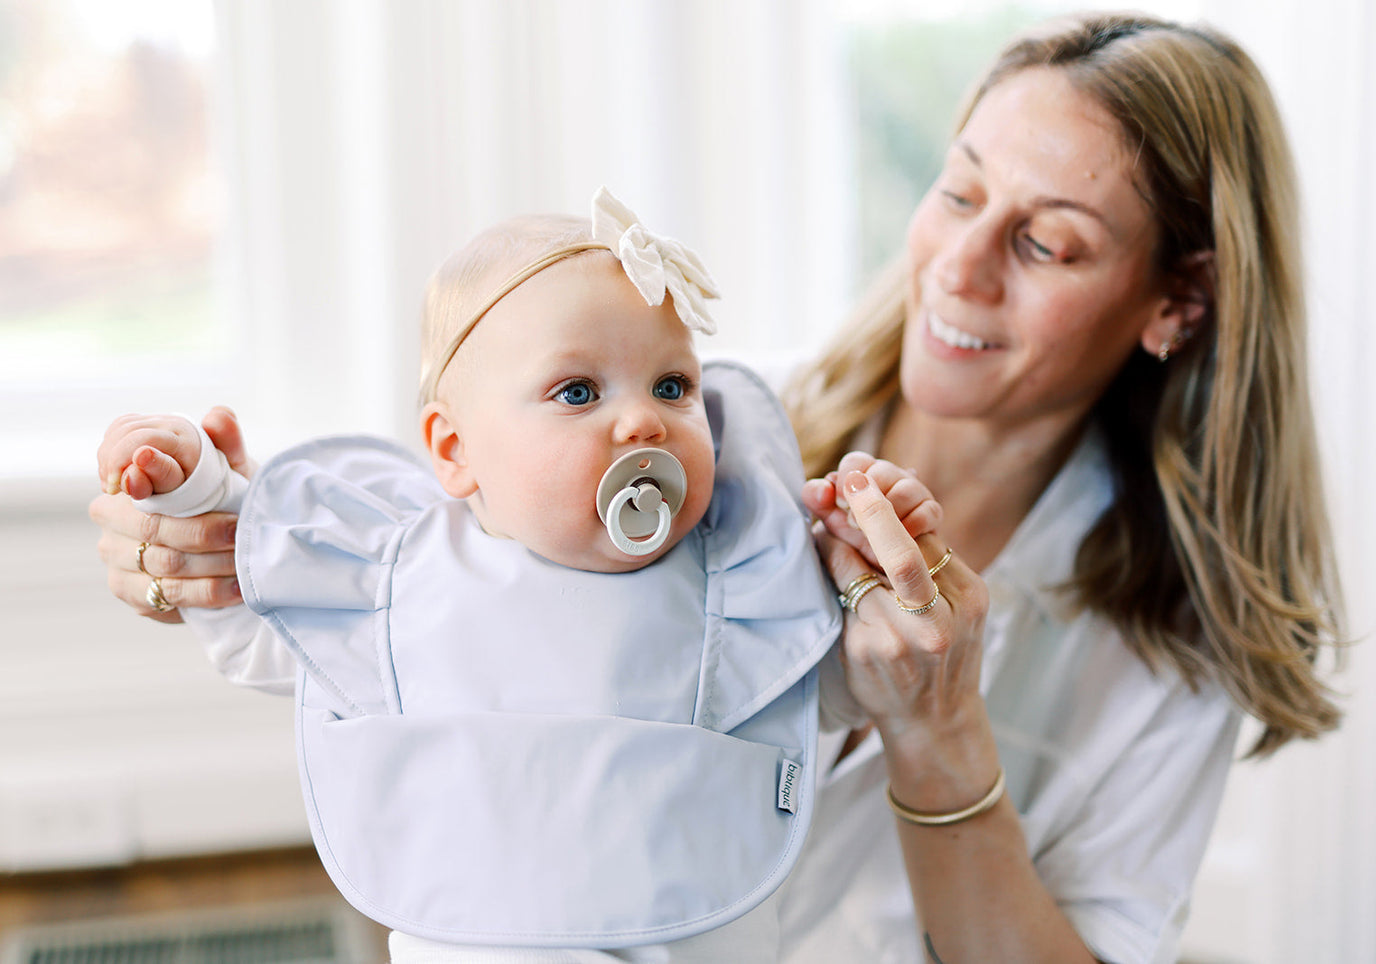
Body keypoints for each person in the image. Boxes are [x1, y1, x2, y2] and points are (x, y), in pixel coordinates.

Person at [90, 12, 1345, 963]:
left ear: (1173, 304)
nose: (955, 268)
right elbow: (425, 584)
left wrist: (937, 733)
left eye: (1044, 240)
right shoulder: (706, 446)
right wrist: (214, 534)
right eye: (957, 188)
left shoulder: (1174, 653)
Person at [97, 188, 938, 962]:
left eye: (673, 385)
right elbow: (267, 625)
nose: (642, 417)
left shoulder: (734, 574)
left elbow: (811, 691)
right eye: (577, 393)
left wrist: (881, 591)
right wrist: (198, 492)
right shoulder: (404, 578)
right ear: (455, 451)